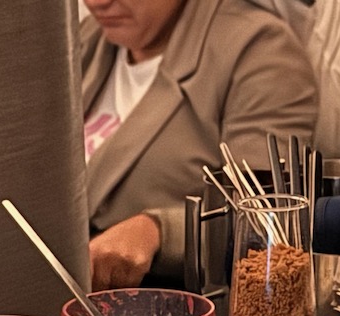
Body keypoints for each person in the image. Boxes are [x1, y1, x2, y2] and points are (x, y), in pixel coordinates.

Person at [80, 0, 318, 290]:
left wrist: (158, 232)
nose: (95, 2)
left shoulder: (260, 52)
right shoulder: (90, 39)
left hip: (163, 309)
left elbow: (267, 222)